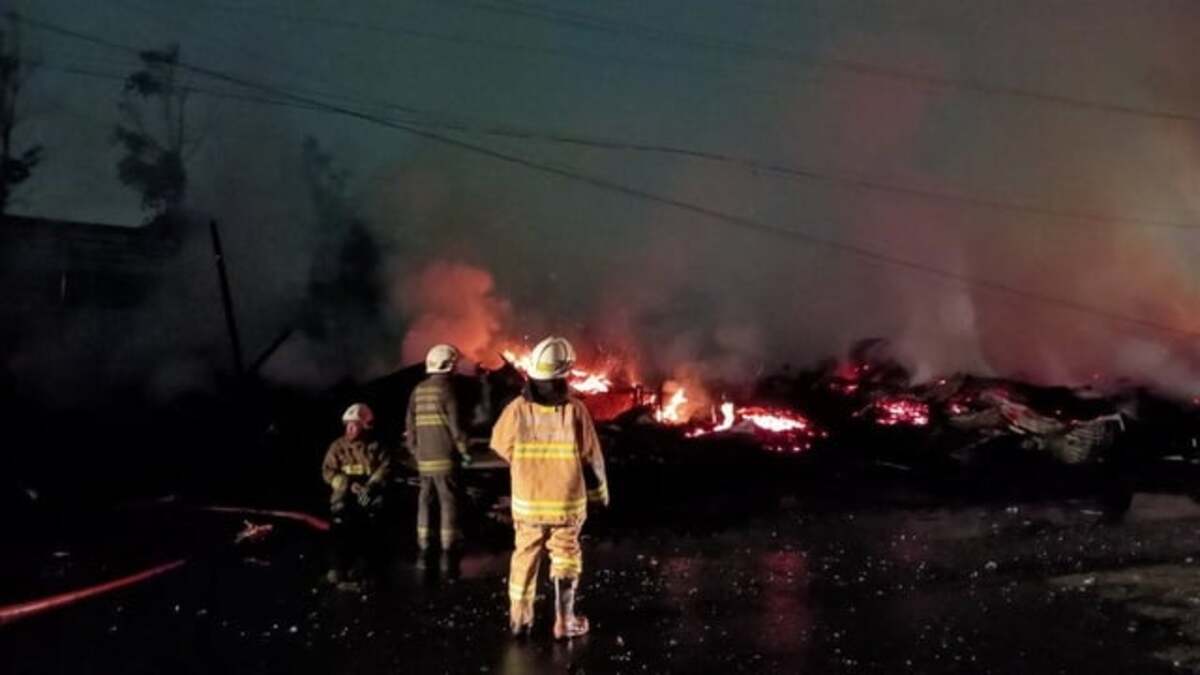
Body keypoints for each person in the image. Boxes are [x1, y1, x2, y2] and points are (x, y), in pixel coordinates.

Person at [490, 336, 609, 639]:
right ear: (563, 374)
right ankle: (564, 622)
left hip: (527, 504)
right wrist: (599, 496)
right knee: (566, 556)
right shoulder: (575, 410)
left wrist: (526, 466)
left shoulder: (516, 409)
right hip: (567, 505)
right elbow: (593, 458)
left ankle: (520, 621)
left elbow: (499, 446)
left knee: (525, 556)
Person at [406, 343, 473, 552]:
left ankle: (423, 542)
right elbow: (456, 429)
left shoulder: (418, 391)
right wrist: (464, 451)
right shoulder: (448, 390)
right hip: (445, 459)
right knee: (447, 501)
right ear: (448, 366)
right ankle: (448, 545)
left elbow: (410, 426)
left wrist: (415, 451)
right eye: (454, 365)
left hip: (423, 459)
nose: (456, 368)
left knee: (424, 500)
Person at [321, 403, 390, 588]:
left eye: (355, 425)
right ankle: (337, 568)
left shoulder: (375, 447)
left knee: (371, 524)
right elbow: (327, 472)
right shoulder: (337, 447)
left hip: (367, 496)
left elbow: (385, 468)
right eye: (348, 425)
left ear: (365, 426)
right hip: (343, 499)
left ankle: (365, 569)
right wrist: (345, 485)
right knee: (339, 526)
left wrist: (371, 487)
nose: (350, 429)